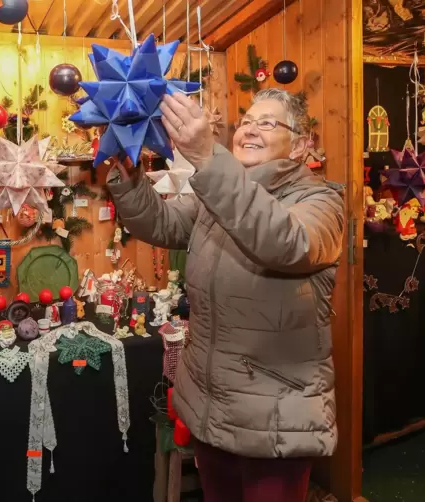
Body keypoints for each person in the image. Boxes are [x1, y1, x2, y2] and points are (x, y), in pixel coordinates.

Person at [107, 88, 344, 502]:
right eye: (247, 121)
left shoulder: (323, 203)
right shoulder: (216, 193)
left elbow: (284, 241)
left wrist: (207, 158)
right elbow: (161, 224)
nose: (250, 130)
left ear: (303, 145)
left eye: (267, 123)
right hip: (210, 406)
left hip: (275, 415)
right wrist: (127, 172)